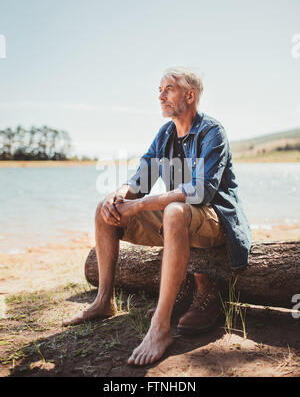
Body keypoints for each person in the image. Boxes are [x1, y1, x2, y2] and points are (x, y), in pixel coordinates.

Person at [63, 67, 252, 366]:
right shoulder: (165, 134)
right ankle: (103, 302)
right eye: (159, 89)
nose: (160, 95)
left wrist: (141, 205)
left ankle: (160, 328)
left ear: (190, 96)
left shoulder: (212, 132)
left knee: (175, 211)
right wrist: (121, 194)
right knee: (105, 209)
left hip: (217, 221)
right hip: (178, 218)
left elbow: (201, 192)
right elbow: (140, 179)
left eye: (169, 88)